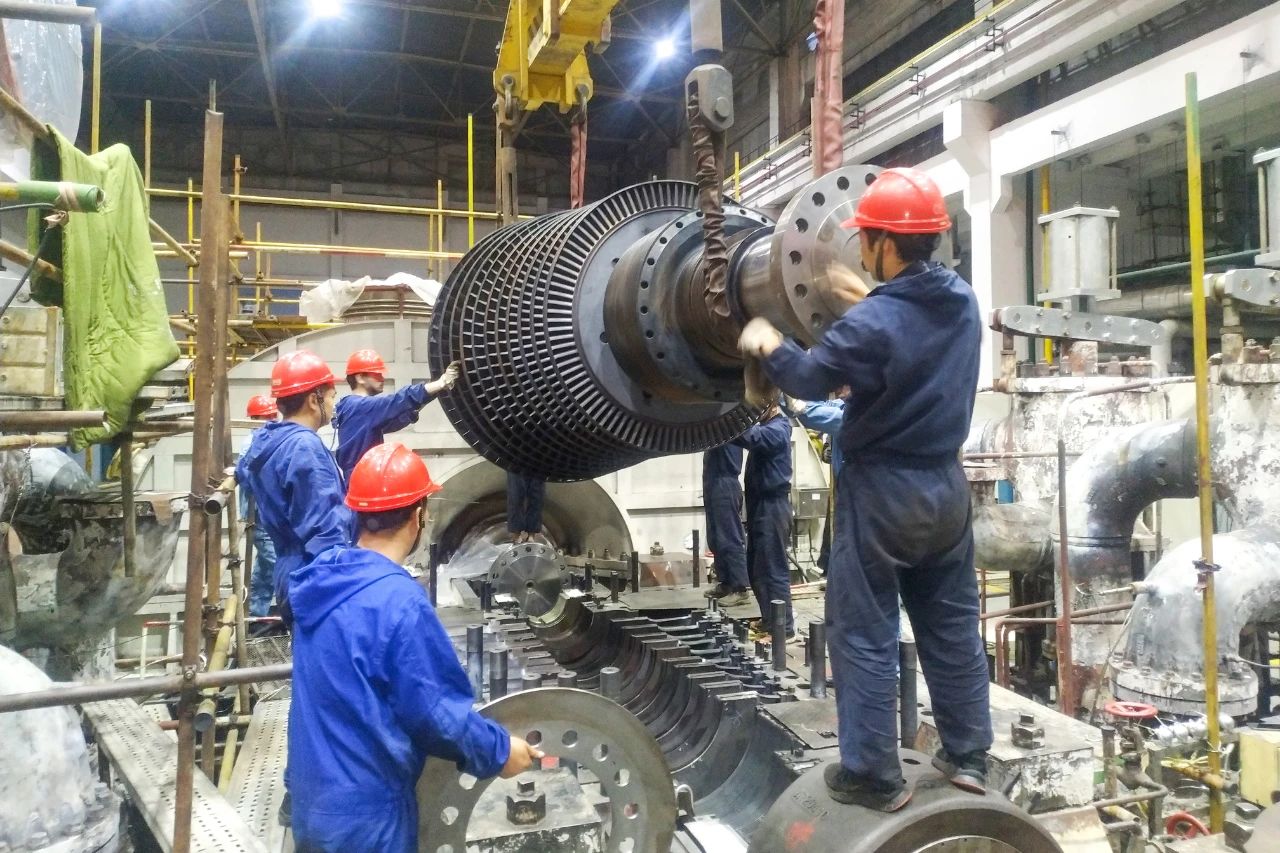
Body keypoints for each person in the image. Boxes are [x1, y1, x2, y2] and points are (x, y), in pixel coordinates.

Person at [739, 167, 992, 811]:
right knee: (952, 624)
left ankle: (874, 775)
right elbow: (907, 334)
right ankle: (968, 756)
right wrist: (867, 303)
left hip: (884, 495)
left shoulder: (873, 322)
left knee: (864, 631)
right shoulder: (962, 300)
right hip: (947, 491)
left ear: (880, 243)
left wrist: (769, 343)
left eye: (865, 240)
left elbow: (809, 378)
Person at [288, 442, 542, 852]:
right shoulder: (398, 601)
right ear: (419, 515)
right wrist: (499, 751)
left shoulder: (323, 580)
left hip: (312, 801)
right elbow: (436, 714)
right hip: (369, 817)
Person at [235, 350, 353, 621]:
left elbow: (243, 470)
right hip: (314, 577)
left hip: (288, 573)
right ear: (314, 400)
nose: (333, 405)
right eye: (332, 396)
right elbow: (325, 533)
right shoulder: (305, 448)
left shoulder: (265, 440)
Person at [334, 348, 461, 483]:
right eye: (377, 374)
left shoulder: (358, 411)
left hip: (362, 479)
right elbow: (399, 400)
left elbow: (396, 421)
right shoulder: (358, 406)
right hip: (362, 481)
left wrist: (433, 391)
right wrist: (441, 382)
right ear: (360, 377)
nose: (382, 378)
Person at [732, 402, 795, 640]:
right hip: (760, 506)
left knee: (773, 569)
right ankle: (770, 619)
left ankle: (784, 629)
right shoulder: (768, 426)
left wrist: (724, 424)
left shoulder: (778, 430)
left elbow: (752, 437)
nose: (754, 413)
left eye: (757, 407)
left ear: (772, 406)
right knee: (758, 568)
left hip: (773, 507)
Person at [786, 392, 847, 573]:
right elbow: (824, 408)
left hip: (861, 493)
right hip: (843, 487)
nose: (842, 390)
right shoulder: (842, 405)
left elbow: (823, 416)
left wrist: (790, 399)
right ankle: (828, 568)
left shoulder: (859, 414)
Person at [238, 393, 279, 621]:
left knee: (265, 570)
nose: (271, 421)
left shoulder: (266, 440)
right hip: (259, 518)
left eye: (273, 416)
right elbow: (246, 477)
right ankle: (299, 618)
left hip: (267, 517)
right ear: (254, 419)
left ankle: (255, 617)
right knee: (279, 565)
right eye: (267, 417)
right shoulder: (252, 443)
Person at [701, 443, 749, 606]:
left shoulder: (728, 431)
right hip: (712, 483)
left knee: (729, 537)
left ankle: (740, 588)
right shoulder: (714, 433)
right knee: (716, 538)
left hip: (725, 484)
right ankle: (726, 583)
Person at [505, 472, 546, 544]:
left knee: (536, 497)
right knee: (515, 496)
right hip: (517, 466)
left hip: (539, 466)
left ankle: (531, 535)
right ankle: (516, 534)